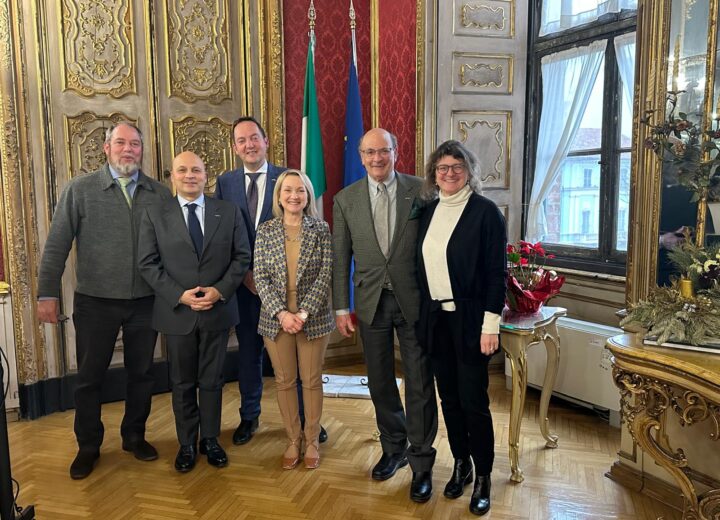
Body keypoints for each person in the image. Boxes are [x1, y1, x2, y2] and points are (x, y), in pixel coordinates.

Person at [36, 122, 172, 479]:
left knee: (142, 374)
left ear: (142, 150)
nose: (129, 150)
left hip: (145, 301)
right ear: (106, 147)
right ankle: (89, 446)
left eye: (136, 144)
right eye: (121, 143)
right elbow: (56, 244)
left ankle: (134, 435)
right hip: (95, 302)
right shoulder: (80, 190)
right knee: (89, 377)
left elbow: (174, 248)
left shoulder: (159, 193)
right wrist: (47, 292)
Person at [333, 128, 438, 502]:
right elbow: (340, 256)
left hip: (415, 301)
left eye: (384, 151)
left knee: (420, 383)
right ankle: (394, 449)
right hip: (370, 302)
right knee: (379, 382)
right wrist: (341, 306)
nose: (377, 159)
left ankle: (422, 462)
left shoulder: (422, 191)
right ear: (361, 157)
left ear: (397, 151)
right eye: (370, 152)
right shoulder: (345, 199)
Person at [215, 116, 327, 445]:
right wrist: (245, 274)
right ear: (235, 147)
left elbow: (306, 228)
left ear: (266, 141)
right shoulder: (226, 182)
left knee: (300, 361)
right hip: (245, 286)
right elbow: (227, 234)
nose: (249, 145)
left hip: (292, 291)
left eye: (254, 138)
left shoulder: (288, 179)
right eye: (241, 140)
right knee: (249, 353)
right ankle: (250, 417)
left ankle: (309, 421)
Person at [137, 151, 251, 473]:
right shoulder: (155, 214)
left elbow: (242, 257)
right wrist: (179, 295)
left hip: (217, 310)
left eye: (196, 170)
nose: (190, 175)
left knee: (213, 380)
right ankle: (187, 443)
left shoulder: (228, 212)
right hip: (177, 313)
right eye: (182, 170)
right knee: (182, 381)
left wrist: (220, 290)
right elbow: (147, 263)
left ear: (206, 176)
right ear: (172, 176)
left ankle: (210, 440)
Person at [415, 140, 507, 516]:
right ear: (433, 174)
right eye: (442, 168)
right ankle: (461, 464)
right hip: (437, 322)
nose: (449, 173)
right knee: (449, 399)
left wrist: (491, 325)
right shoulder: (428, 212)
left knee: (474, 402)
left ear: (469, 171)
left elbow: (495, 275)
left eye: (456, 166)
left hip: (472, 321)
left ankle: (483, 475)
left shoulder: (486, 213)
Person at [254, 170, 333, 470]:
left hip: (312, 318)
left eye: (300, 190)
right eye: (287, 190)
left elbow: (325, 274)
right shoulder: (266, 230)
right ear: (279, 196)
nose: (294, 196)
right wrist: (282, 313)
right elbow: (259, 276)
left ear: (308, 195)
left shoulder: (321, 229)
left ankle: (311, 439)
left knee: (311, 381)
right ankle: (292, 439)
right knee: (285, 382)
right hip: (275, 319)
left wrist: (302, 313)